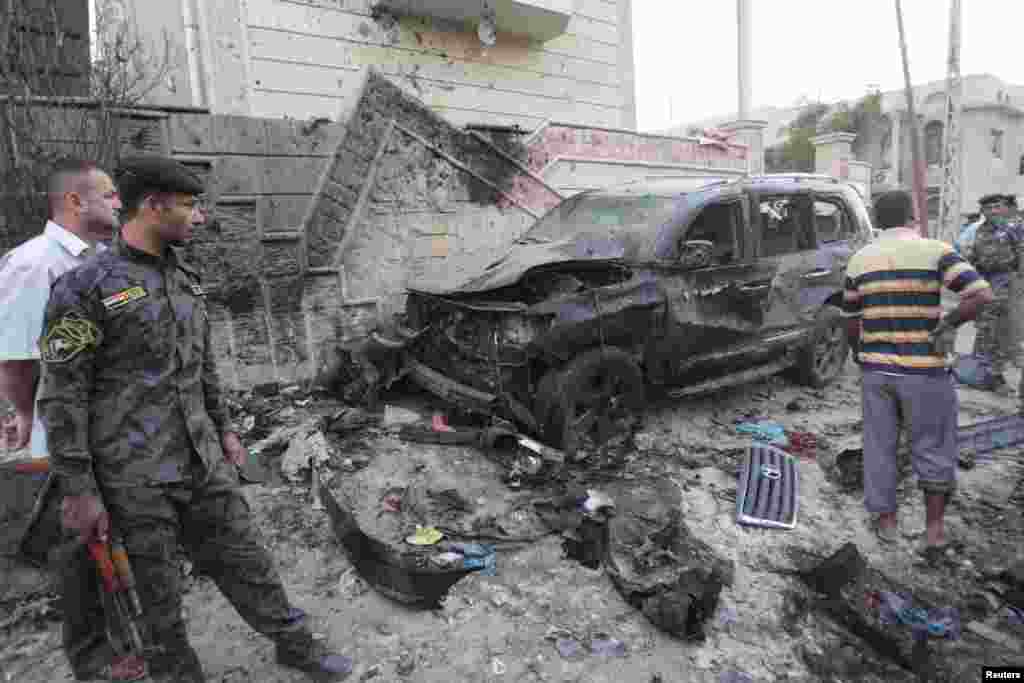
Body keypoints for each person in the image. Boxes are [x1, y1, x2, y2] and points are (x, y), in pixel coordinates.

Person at [37, 155, 353, 683]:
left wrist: (225, 429)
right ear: (154, 206)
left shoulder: (185, 278)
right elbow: (62, 396)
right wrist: (80, 489)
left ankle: (293, 643)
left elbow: (203, 365)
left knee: (247, 559)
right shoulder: (83, 288)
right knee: (158, 598)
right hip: (133, 477)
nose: (199, 217)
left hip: (201, 458)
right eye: (190, 206)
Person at [0, 160, 145, 682]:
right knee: (79, 542)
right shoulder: (35, 264)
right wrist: (20, 411)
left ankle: (127, 634)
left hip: (113, 425)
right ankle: (92, 657)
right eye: (107, 195)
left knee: (107, 535)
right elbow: (16, 356)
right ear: (75, 203)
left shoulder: (104, 259)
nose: (117, 203)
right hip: (68, 425)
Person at [843, 190, 993, 559]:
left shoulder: (860, 260)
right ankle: (934, 531)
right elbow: (980, 294)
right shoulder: (936, 251)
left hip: (877, 372)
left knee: (880, 447)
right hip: (925, 372)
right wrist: (947, 324)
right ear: (912, 215)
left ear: (879, 219)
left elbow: (850, 320)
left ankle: (887, 524)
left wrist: (859, 355)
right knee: (933, 446)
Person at [968, 193, 1024, 392]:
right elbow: (974, 257)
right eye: (988, 208)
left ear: (1004, 208)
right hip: (986, 286)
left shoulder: (1015, 227)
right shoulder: (980, 231)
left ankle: (1002, 378)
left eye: (997, 207)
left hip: (1008, 285)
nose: (993, 211)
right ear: (982, 211)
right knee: (987, 331)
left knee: (1007, 334)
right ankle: (990, 376)